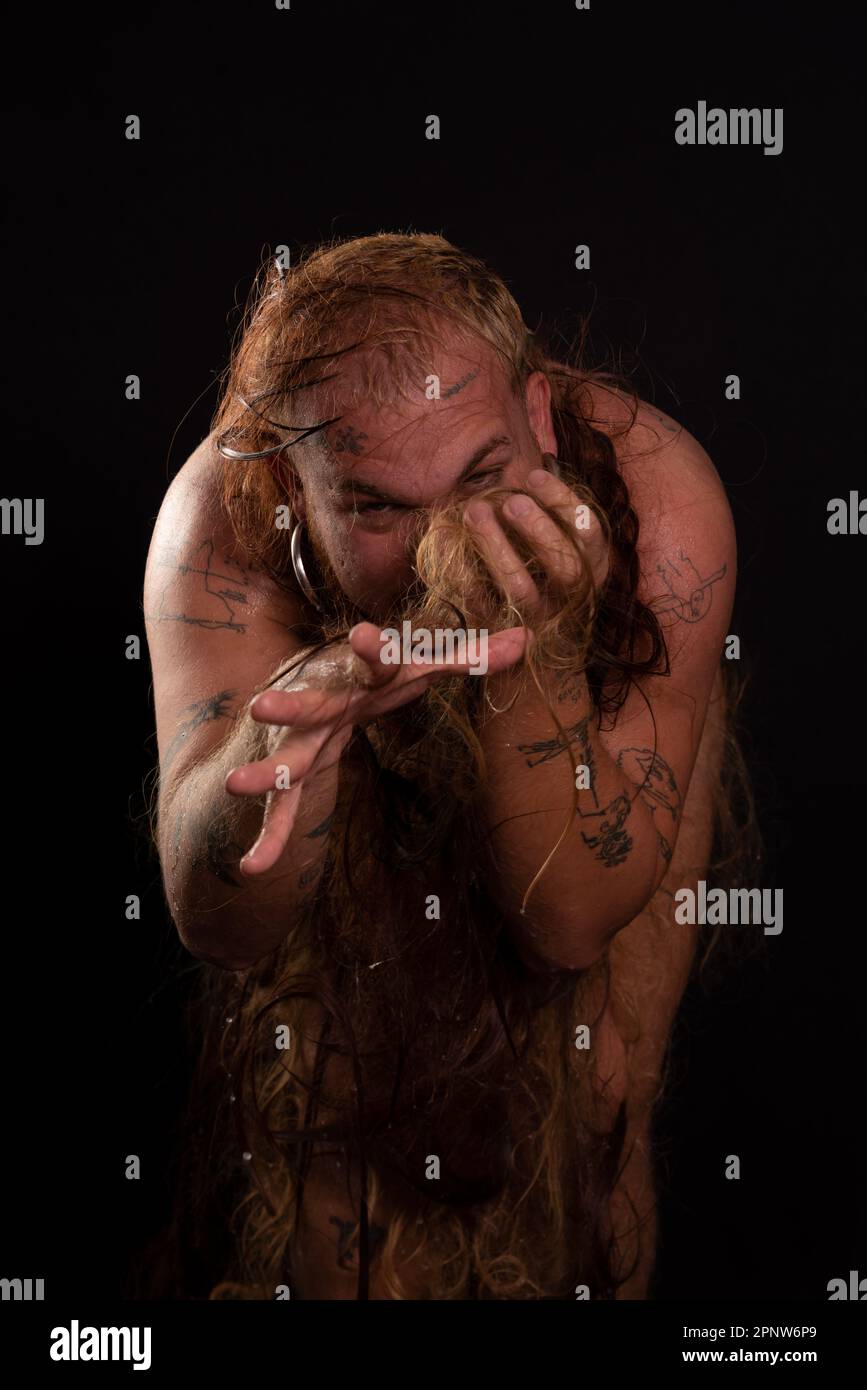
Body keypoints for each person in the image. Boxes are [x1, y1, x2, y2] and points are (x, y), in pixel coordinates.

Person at [143, 232, 758, 1300]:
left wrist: (531, 657)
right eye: (379, 507)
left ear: (535, 417)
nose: (445, 547)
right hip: (344, 975)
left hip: (588, 824)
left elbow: (567, 920)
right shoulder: (223, 522)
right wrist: (291, 741)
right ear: (296, 485)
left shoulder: (663, 503)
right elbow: (219, 921)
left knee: (593, 1123)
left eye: (481, 476)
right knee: (327, 1167)